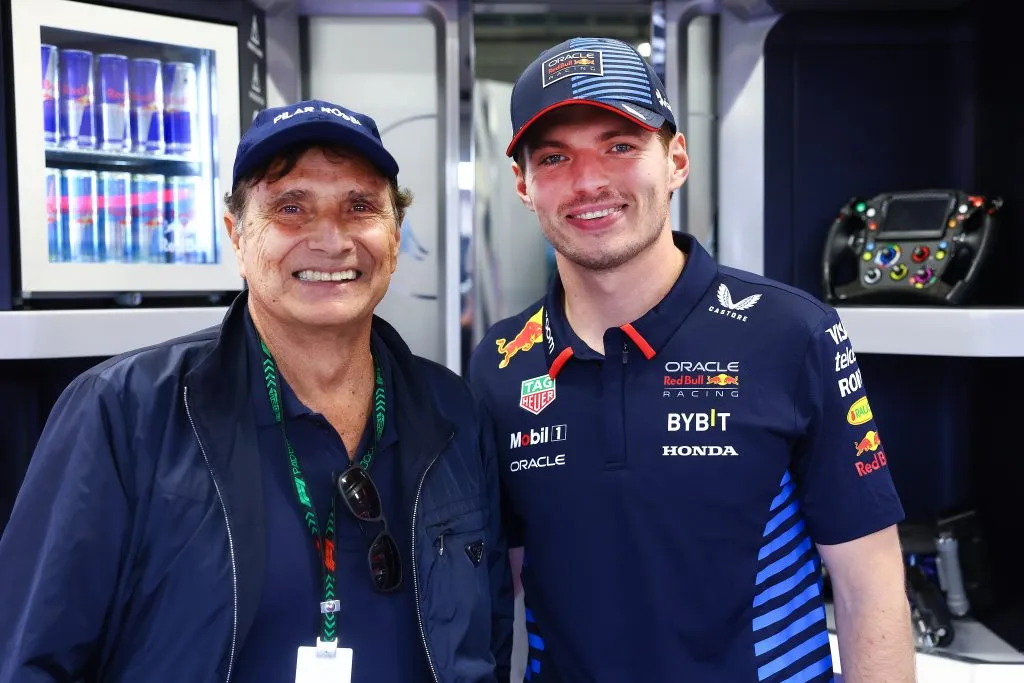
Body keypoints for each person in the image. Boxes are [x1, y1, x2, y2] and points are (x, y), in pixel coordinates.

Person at [0, 99, 513, 683]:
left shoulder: (452, 412)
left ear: (395, 236)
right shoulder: (122, 413)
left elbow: (489, 642)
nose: (332, 240)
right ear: (236, 237)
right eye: (291, 208)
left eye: (361, 207)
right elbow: (29, 661)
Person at [468, 37, 916, 682]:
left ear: (675, 158)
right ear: (523, 184)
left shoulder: (792, 334)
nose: (589, 181)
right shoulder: (500, 364)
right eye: (555, 157)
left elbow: (869, 588)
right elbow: (489, 594)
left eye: (620, 146)